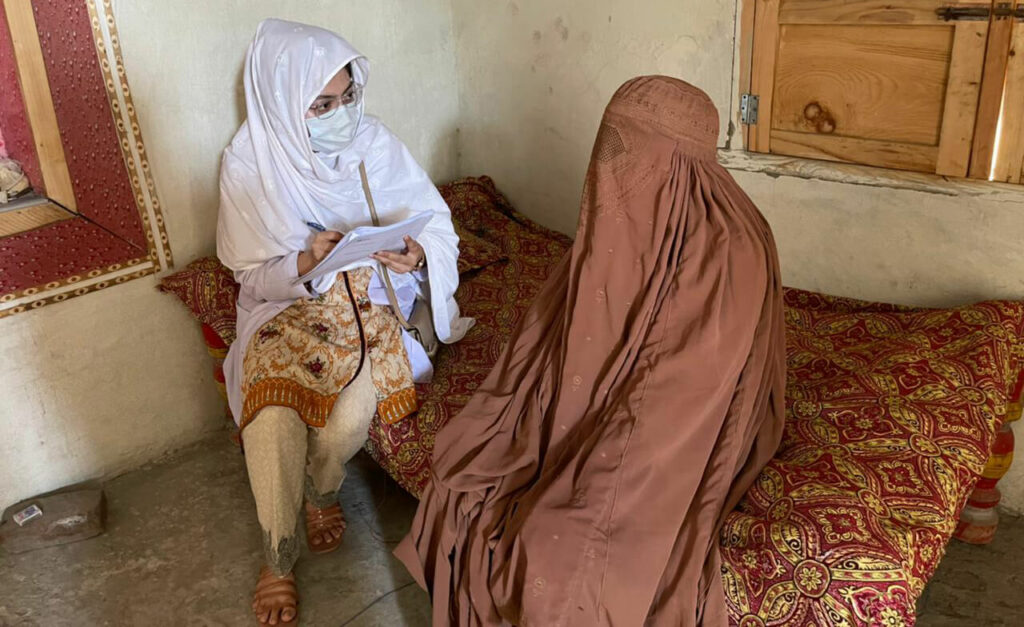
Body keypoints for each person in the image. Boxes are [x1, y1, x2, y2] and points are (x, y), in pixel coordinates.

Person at [396, 77, 786, 626]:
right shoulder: (627, 220)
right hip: (625, 396)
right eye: (607, 144)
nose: (608, 164)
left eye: (626, 150)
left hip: (670, 420)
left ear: (680, 157)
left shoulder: (728, 252)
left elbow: (665, 408)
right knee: (479, 472)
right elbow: (560, 334)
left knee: (564, 554)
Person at [217, 18, 472, 625]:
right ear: (282, 103)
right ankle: (277, 558)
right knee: (273, 406)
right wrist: (305, 262)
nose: (343, 114)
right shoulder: (250, 162)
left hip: (369, 302)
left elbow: (434, 224)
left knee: (352, 408)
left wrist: (415, 254)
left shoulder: (374, 143)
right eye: (323, 104)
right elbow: (249, 275)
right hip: (289, 306)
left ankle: (320, 489)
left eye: (347, 96)